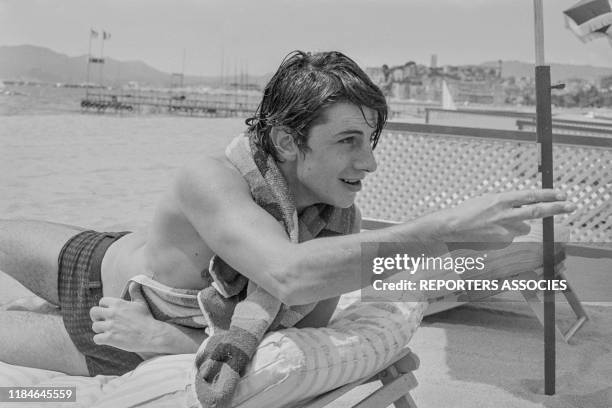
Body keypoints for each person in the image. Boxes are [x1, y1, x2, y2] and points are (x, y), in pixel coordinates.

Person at [0, 50, 575, 377]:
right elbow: (288, 272)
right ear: (285, 138)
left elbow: (300, 331)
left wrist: (167, 344)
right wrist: (443, 229)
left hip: (110, 335)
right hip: (97, 261)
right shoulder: (210, 178)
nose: (369, 162)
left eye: (371, 139)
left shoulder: (336, 218)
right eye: (349, 140)